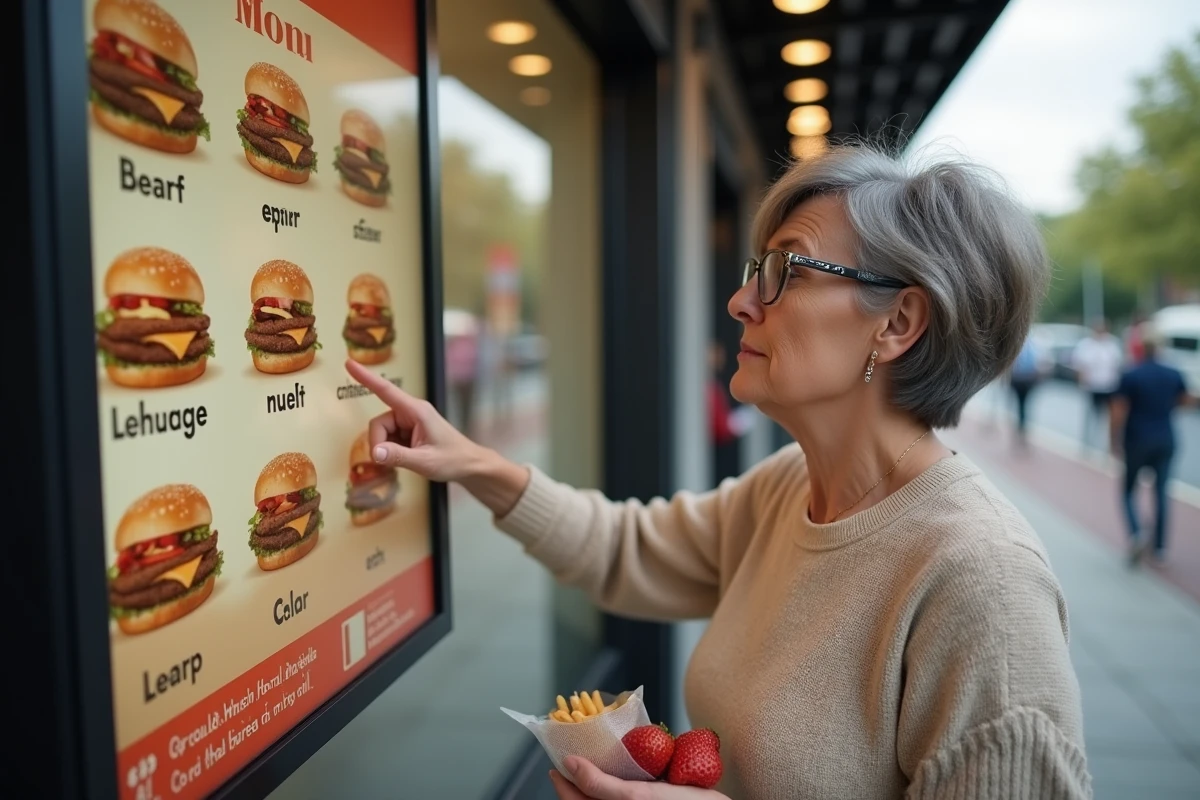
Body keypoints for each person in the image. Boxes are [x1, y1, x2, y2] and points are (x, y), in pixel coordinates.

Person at [345, 143, 1090, 800]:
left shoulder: (984, 582)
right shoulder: (788, 486)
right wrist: (470, 461)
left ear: (897, 322)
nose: (740, 302)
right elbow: (626, 548)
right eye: (754, 271)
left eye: (784, 271)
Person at [1110, 325, 1192, 566]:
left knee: (1128, 490)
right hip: (1165, 438)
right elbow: (1185, 400)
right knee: (1161, 492)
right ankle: (1160, 548)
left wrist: (1114, 440)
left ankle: (1136, 533)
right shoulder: (1173, 373)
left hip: (1137, 439)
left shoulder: (1131, 374)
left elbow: (1118, 410)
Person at [1071, 320, 1124, 450]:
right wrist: (1082, 381)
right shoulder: (1086, 345)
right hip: (1092, 386)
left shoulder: (1112, 344)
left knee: (1108, 417)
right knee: (1091, 415)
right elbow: (1079, 365)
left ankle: (1107, 444)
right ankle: (1087, 443)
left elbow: (1118, 365)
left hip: (1109, 386)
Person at [1009, 335, 1044, 446]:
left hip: (1024, 380)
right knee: (1021, 405)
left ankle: (1021, 428)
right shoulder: (1031, 345)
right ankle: (1021, 428)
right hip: (1022, 380)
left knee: (1022, 405)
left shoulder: (1029, 345)